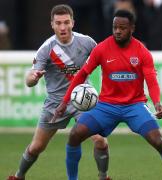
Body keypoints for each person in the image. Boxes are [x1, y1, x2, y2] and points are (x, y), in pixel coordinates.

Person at [51, 9, 162, 179]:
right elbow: (82, 74)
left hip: (135, 106)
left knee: (159, 142)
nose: (118, 31)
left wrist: (156, 102)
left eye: (122, 28)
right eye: (115, 27)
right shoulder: (102, 48)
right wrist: (64, 102)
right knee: (75, 135)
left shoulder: (142, 52)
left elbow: (151, 80)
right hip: (106, 106)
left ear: (132, 28)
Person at [7, 4, 111, 180]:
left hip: (81, 100)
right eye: (58, 23)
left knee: (101, 140)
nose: (63, 27)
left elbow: (106, 62)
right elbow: (29, 80)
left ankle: (103, 176)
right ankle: (19, 176)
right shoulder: (46, 48)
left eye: (66, 22)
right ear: (52, 25)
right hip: (55, 104)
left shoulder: (87, 42)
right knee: (36, 147)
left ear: (73, 23)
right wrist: (34, 77)